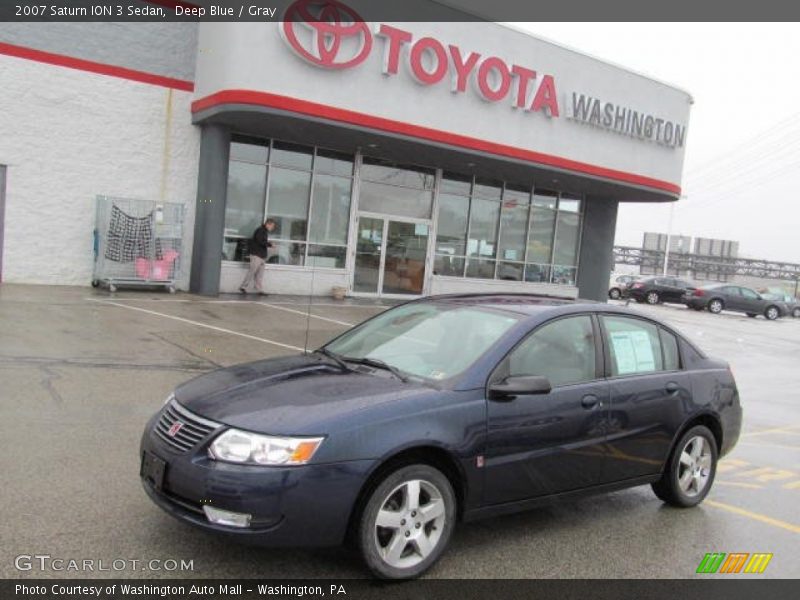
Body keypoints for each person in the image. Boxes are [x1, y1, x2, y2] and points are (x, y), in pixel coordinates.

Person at [239, 218, 276, 295]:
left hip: (261, 256)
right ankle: (243, 287)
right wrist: (270, 244)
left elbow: (262, 242)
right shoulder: (260, 230)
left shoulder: (264, 231)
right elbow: (260, 241)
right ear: (268, 224)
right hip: (256, 255)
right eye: (272, 226)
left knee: (260, 274)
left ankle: (259, 290)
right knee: (252, 271)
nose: (272, 228)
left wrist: (268, 244)